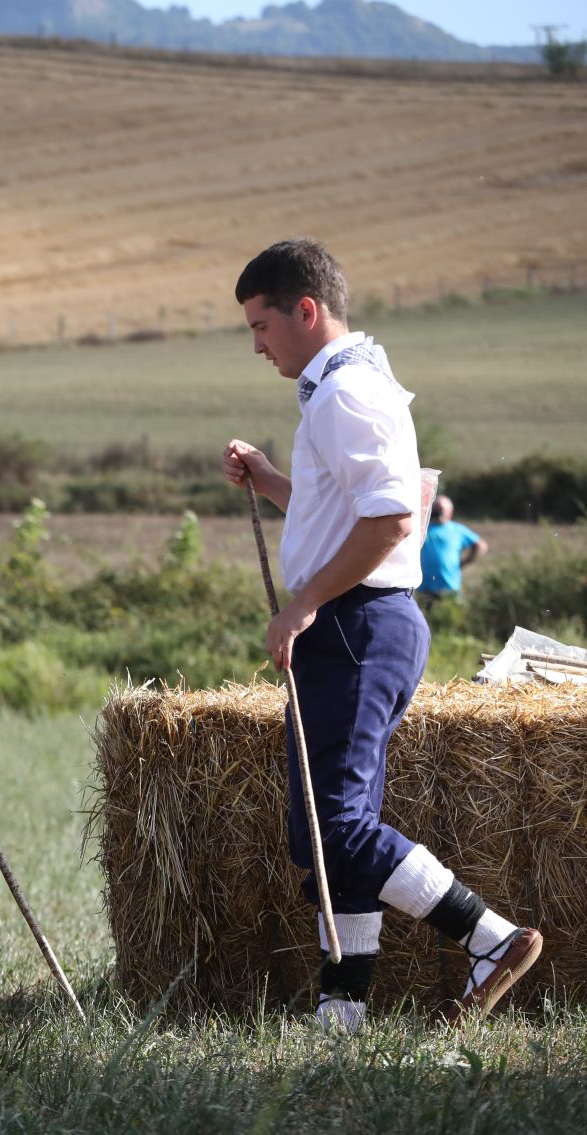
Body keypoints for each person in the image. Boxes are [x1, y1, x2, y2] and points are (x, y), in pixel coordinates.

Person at [221, 239, 542, 1029]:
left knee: (335, 827)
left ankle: (490, 937)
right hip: (357, 619)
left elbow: (394, 519)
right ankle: (342, 1020)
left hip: (357, 623)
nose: (257, 344)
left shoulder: (345, 394)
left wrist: (303, 605)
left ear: (306, 309)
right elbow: (347, 507)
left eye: (262, 325)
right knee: (327, 833)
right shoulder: (340, 387)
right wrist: (273, 484)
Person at [418, 494, 487, 612]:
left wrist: (465, 562)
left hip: (450, 588)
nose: (437, 512)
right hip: (425, 588)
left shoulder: (457, 529)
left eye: (441, 509)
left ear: (450, 512)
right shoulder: (423, 528)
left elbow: (481, 546)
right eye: (435, 509)